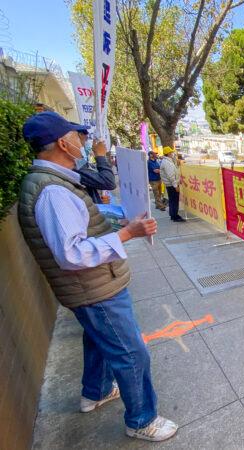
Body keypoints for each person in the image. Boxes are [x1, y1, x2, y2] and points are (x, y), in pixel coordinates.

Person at [19, 111, 178, 442]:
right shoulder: (53, 192)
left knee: (97, 339)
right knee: (131, 352)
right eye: (77, 136)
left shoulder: (56, 182)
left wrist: (114, 220)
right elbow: (72, 253)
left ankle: (96, 391)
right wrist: (127, 234)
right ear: (63, 143)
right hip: (92, 287)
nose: (83, 141)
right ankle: (141, 419)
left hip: (89, 287)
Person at [72, 126, 117, 204]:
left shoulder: (87, 156)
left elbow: (94, 174)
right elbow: (109, 182)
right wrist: (100, 156)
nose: (82, 145)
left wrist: (98, 196)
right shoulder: (72, 165)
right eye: (84, 140)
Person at [160, 146, 186, 222]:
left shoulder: (168, 161)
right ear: (168, 153)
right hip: (172, 185)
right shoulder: (167, 163)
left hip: (170, 185)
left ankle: (173, 215)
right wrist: (175, 186)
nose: (172, 153)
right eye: (171, 152)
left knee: (172, 200)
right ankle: (175, 216)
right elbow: (171, 176)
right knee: (174, 200)